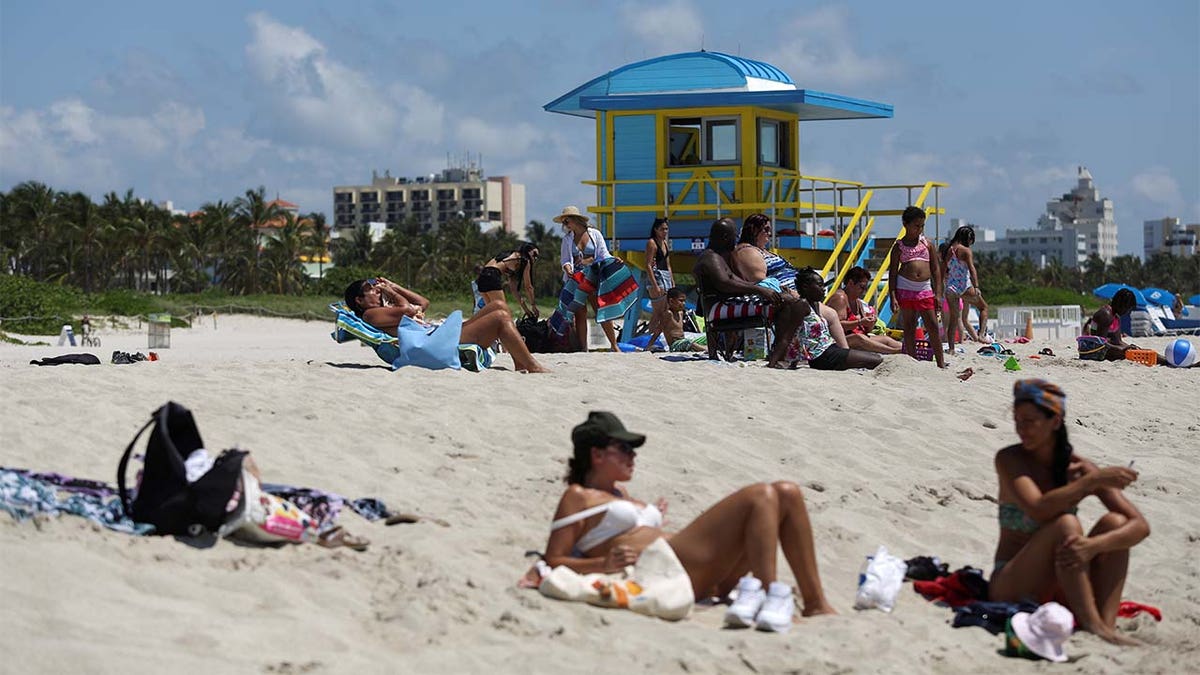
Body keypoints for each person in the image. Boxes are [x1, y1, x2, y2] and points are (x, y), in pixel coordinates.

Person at [544, 411, 836, 631]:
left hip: (696, 571)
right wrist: (601, 565)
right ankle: (769, 595)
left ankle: (816, 603)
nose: (633, 456)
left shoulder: (619, 492)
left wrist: (648, 521)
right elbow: (554, 558)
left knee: (787, 493)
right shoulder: (578, 496)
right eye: (625, 449)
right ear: (596, 454)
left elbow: (627, 533)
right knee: (761, 496)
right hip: (669, 570)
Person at [988, 380, 1148, 646]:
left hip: (1065, 581)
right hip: (1013, 583)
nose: (1021, 429)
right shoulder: (1010, 460)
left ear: (1055, 421)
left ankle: (1105, 625)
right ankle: (1094, 625)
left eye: (1029, 421)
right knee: (1066, 524)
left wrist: (1094, 545)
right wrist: (1089, 483)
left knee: (1115, 522)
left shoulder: (1078, 466)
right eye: (1017, 421)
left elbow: (1139, 526)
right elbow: (1038, 509)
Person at [343, 277, 549, 373]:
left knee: (498, 305)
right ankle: (531, 365)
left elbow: (423, 303)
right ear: (359, 300)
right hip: (434, 344)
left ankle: (521, 362)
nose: (376, 290)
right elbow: (407, 310)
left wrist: (394, 286)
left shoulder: (382, 311)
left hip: (436, 336)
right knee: (500, 317)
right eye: (371, 288)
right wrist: (392, 294)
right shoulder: (370, 315)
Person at [694, 218, 803, 368]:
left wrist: (764, 287)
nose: (736, 240)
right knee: (784, 304)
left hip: (730, 302)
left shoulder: (723, 255)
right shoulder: (711, 258)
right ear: (726, 237)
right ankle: (779, 356)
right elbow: (725, 283)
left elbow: (738, 280)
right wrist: (759, 289)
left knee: (786, 300)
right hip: (718, 308)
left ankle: (781, 354)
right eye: (734, 236)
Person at [555, 206, 628, 351]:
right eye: (563, 222)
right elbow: (565, 259)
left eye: (566, 221)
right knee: (580, 313)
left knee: (601, 309)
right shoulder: (567, 239)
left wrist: (614, 259)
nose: (565, 225)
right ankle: (584, 348)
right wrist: (567, 268)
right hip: (576, 278)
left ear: (575, 220)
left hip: (594, 276)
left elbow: (603, 254)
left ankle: (614, 345)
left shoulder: (594, 234)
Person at [888, 206, 946, 368]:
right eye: (916, 225)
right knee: (909, 326)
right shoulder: (898, 247)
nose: (919, 229)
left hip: (924, 289)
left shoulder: (927, 244)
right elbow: (892, 273)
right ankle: (912, 361)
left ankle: (941, 362)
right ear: (905, 225)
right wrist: (892, 296)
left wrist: (938, 293)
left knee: (933, 326)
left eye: (922, 226)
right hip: (905, 288)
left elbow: (935, 270)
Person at [793, 268, 883, 370]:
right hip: (821, 355)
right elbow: (786, 336)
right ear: (805, 287)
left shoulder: (816, 306)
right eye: (820, 285)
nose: (823, 289)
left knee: (880, 350)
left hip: (830, 348)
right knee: (875, 359)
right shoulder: (801, 306)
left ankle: (901, 349)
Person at [826, 266, 902, 355]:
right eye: (861, 287)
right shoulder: (840, 298)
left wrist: (870, 323)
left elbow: (866, 330)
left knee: (886, 339)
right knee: (859, 338)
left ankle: (908, 349)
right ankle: (894, 352)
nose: (863, 291)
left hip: (857, 337)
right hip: (839, 341)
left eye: (865, 288)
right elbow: (837, 326)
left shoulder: (857, 302)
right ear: (850, 283)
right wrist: (860, 322)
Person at [940, 225, 989, 351]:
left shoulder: (948, 250)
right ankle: (981, 335)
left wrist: (939, 288)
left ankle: (951, 349)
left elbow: (942, 270)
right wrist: (976, 286)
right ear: (969, 238)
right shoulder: (965, 251)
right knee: (984, 307)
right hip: (964, 287)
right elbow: (972, 269)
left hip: (950, 287)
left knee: (953, 320)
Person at [731, 213, 798, 294]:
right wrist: (793, 294)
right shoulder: (747, 252)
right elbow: (763, 283)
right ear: (754, 230)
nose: (769, 233)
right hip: (788, 296)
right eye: (766, 229)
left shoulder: (763, 250)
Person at [1082, 289, 1148, 362]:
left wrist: (1129, 347)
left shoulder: (1116, 317)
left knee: (1141, 351)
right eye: (1127, 309)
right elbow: (1100, 343)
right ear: (1122, 304)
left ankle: (1162, 360)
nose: (1127, 312)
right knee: (1134, 354)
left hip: (1106, 348)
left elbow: (1118, 341)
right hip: (1094, 351)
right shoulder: (1105, 315)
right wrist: (1121, 349)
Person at [476, 242, 540, 318]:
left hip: (482, 276)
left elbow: (514, 290)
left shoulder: (509, 256)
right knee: (504, 314)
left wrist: (525, 309)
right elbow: (528, 287)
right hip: (492, 275)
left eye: (537, 257)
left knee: (491, 314)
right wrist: (533, 305)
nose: (535, 258)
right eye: (534, 254)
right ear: (527, 251)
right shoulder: (525, 260)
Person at [642, 217, 675, 347]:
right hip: (656, 277)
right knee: (658, 311)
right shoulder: (652, 243)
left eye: (666, 229)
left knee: (666, 310)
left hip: (665, 276)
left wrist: (672, 280)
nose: (665, 231)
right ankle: (650, 340)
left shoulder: (665, 243)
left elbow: (668, 264)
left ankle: (658, 339)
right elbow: (648, 265)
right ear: (656, 230)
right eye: (662, 229)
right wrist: (655, 284)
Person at [646, 287, 706, 352]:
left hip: (683, 341)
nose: (684, 303)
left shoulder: (681, 313)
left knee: (705, 338)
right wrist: (650, 344)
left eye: (684, 301)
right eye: (681, 301)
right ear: (671, 301)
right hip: (675, 345)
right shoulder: (668, 314)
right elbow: (659, 329)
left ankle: (706, 348)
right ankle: (706, 350)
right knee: (688, 343)